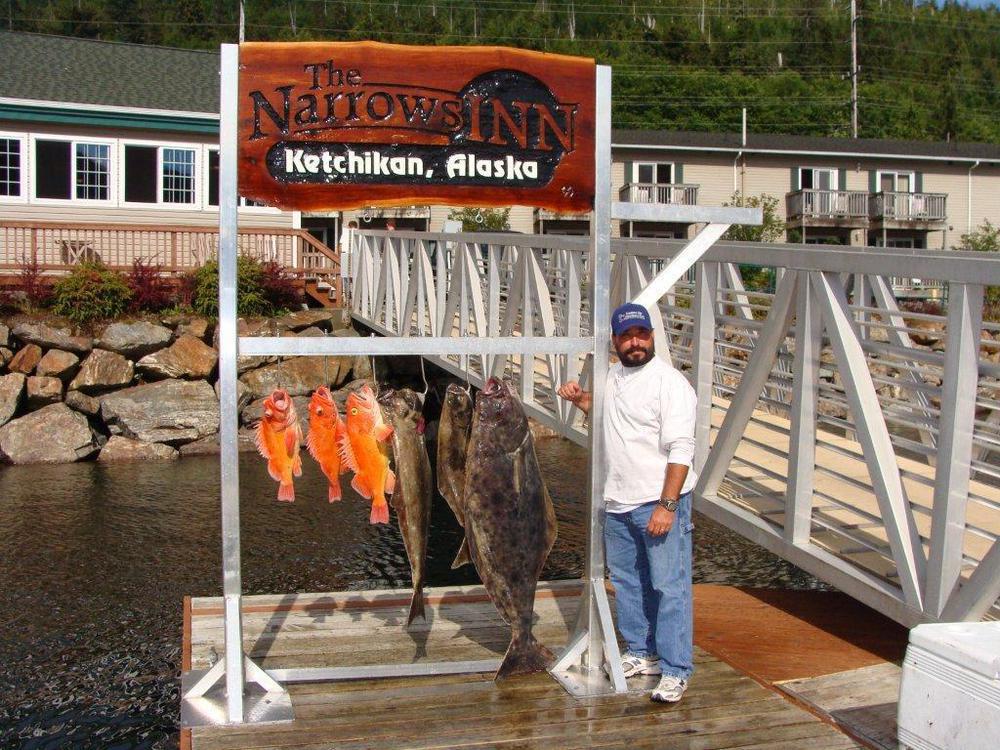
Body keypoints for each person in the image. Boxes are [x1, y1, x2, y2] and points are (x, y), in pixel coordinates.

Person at [557, 302, 697, 704]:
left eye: (642, 334)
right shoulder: (614, 376)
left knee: (669, 588)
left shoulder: (669, 383)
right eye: (627, 336)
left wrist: (667, 506)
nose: (635, 342)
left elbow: (681, 449)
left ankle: (675, 669)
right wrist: (581, 398)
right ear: (615, 341)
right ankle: (641, 652)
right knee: (629, 584)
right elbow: (610, 417)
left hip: (657, 501)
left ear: (652, 336)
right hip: (617, 502)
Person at [338, 220, 357, 301]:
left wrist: (339, 256)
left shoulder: (345, 233)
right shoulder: (358, 233)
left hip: (345, 254)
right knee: (355, 276)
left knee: (346, 277)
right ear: (356, 226)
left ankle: (347, 295)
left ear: (349, 226)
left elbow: (340, 246)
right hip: (355, 255)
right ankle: (355, 295)